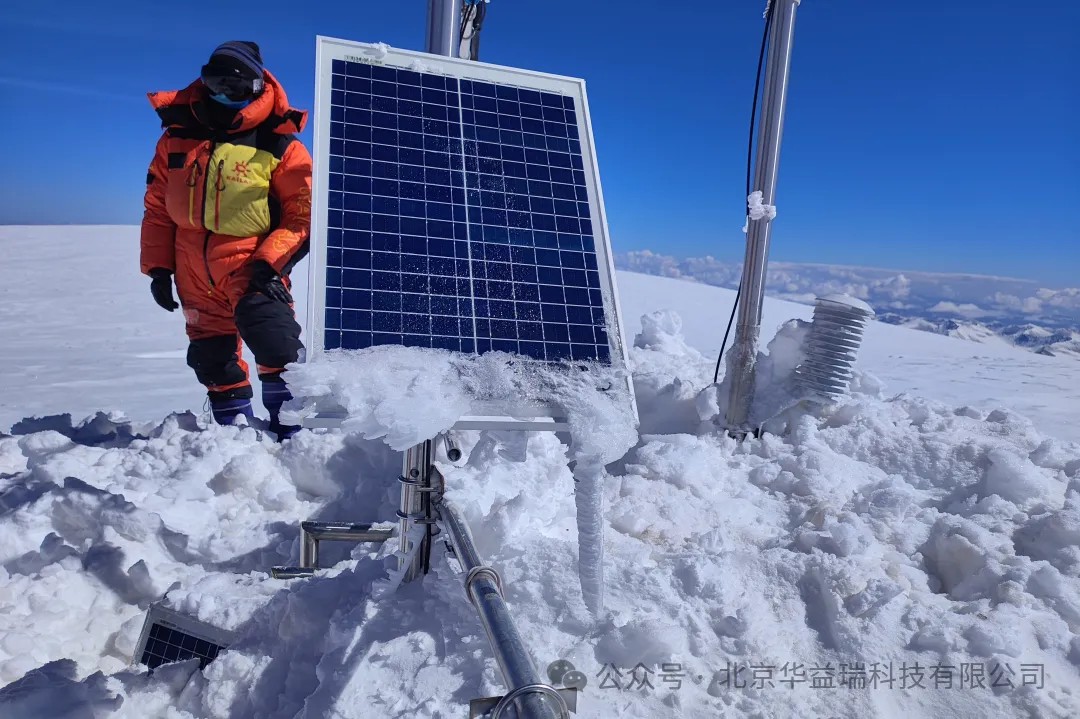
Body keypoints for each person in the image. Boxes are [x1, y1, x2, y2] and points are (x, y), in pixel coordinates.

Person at [140, 41, 311, 441]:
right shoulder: (176, 139)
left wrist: (268, 263)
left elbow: (301, 216)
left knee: (277, 346)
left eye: (236, 87)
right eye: (216, 83)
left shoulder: (280, 145)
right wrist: (159, 268)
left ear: (257, 86)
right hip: (191, 272)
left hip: (251, 266)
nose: (224, 95)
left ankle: (293, 436)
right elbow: (158, 209)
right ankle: (233, 436)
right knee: (211, 357)